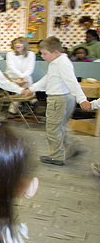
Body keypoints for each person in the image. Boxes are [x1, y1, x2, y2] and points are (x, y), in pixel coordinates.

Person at [30, 36, 90, 166]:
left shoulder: (62, 63)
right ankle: (73, 146)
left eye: (45, 54)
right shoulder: (56, 62)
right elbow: (47, 79)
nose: (43, 56)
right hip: (63, 99)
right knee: (60, 127)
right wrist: (32, 88)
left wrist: (82, 99)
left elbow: (72, 82)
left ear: (56, 52)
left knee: (53, 129)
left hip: (58, 99)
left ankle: (56, 156)